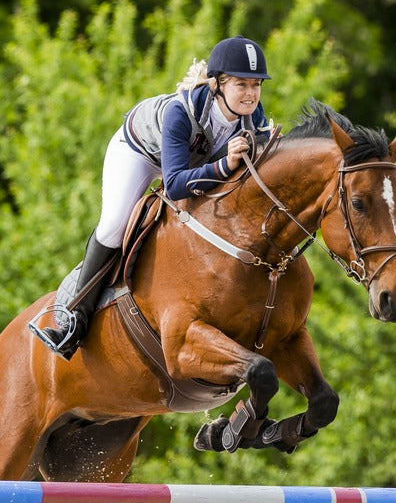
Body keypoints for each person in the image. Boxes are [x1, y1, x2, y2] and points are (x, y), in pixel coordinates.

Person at [30, 35, 274, 359]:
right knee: (114, 225)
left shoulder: (253, 119)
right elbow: (173, 184)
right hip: (140, 153)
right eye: (241, 84)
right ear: (217, 85)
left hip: (190, 164)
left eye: (256, 85)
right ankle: (74, 317)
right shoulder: (181, 112)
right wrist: (225, 164)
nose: (250, 94)